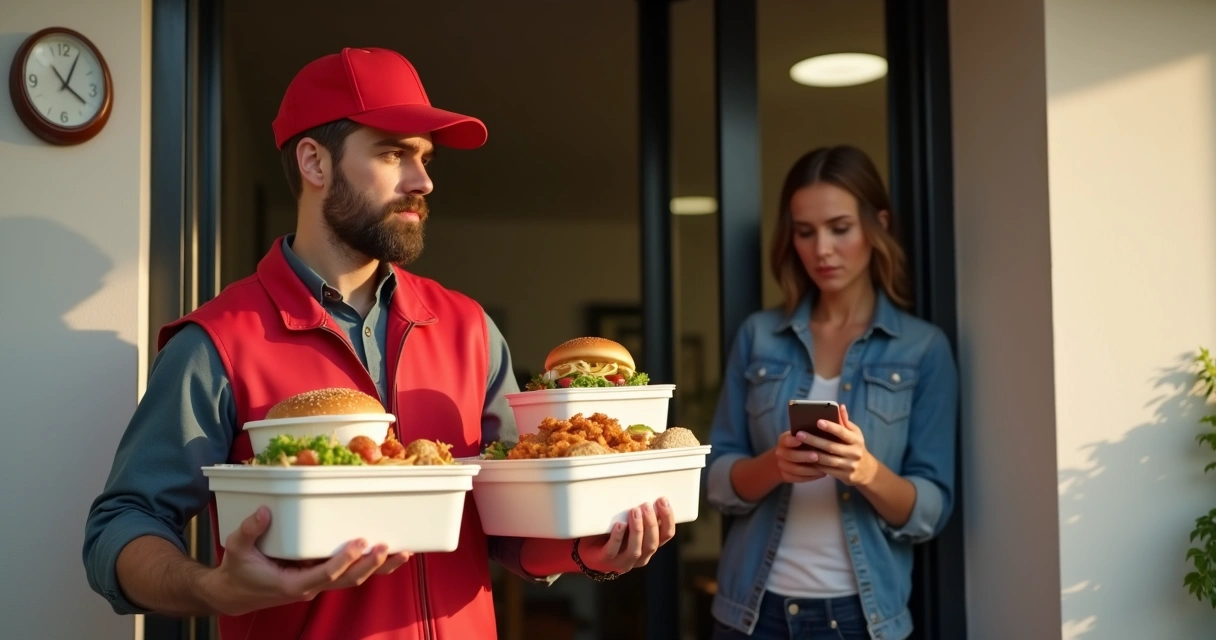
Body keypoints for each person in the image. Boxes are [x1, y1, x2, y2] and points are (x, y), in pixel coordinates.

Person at [83, 47, 678, 640]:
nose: (424, 181)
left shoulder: (470, 328)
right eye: (394, 153)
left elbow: (510, 529)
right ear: (315, 163)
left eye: (425, 157)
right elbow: (120, 524)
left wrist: (589, 552)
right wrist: (214, 588)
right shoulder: (216, 341)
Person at [704, 145, 959, 640]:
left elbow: (929, 509)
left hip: (862, 620)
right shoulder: (758, 336)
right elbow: (715, 481)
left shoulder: (922, 348)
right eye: (805, 232)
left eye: (839, 228)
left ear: (876, 224)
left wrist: (865, 470)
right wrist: (773, 466)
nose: (822, 249)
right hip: (749, 616)